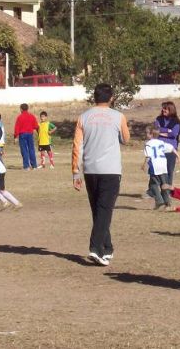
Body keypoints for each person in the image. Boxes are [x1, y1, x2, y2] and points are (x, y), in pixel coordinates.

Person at [71, 84, 130, 267]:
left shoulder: (84, 117)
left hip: (90, 170)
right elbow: (126, 139)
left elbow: (77, 146)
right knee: (104, 210)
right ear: (111, 97)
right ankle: (96, 248)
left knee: (98, 210)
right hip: (111, 170)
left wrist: (76, 172)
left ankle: (108, 247)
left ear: (94, 97)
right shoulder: (118, 116)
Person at [142, 126, 180, 211]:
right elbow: (172, 148)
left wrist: (144, 165)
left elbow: (148, 156)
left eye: (146, 133)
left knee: (153, 185)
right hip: (163, 166)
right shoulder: (161, 142)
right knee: (164, 184)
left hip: (155, 166)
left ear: (151, 135)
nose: (145, 135)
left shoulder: (148, 144)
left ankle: (159, 201)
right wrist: (179, 157)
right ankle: (167, 203)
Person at [154, 101, 180, 184]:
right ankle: (153, 190)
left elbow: (174, 134)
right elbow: (156, 130)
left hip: (170, 149)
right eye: (163, 108)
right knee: (156, 170)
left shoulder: (176, 121)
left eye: (165, 108)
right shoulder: (158, 119)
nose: (163, 110)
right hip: (159, 148)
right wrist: (167, 131)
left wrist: (162, 132)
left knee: (169, 169)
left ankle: (168, 189)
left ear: (171, 110)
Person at [13, 103, 39, 170]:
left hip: (22, 135)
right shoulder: (32, 116)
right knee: (31, 149)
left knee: (24, 150)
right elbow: (36, 126)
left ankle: (26, 166)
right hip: (30, 134)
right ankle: (34, 166)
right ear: (27, 108)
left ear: (21, 109)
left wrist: (16, 136)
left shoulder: (19, 117)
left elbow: (17, 127)